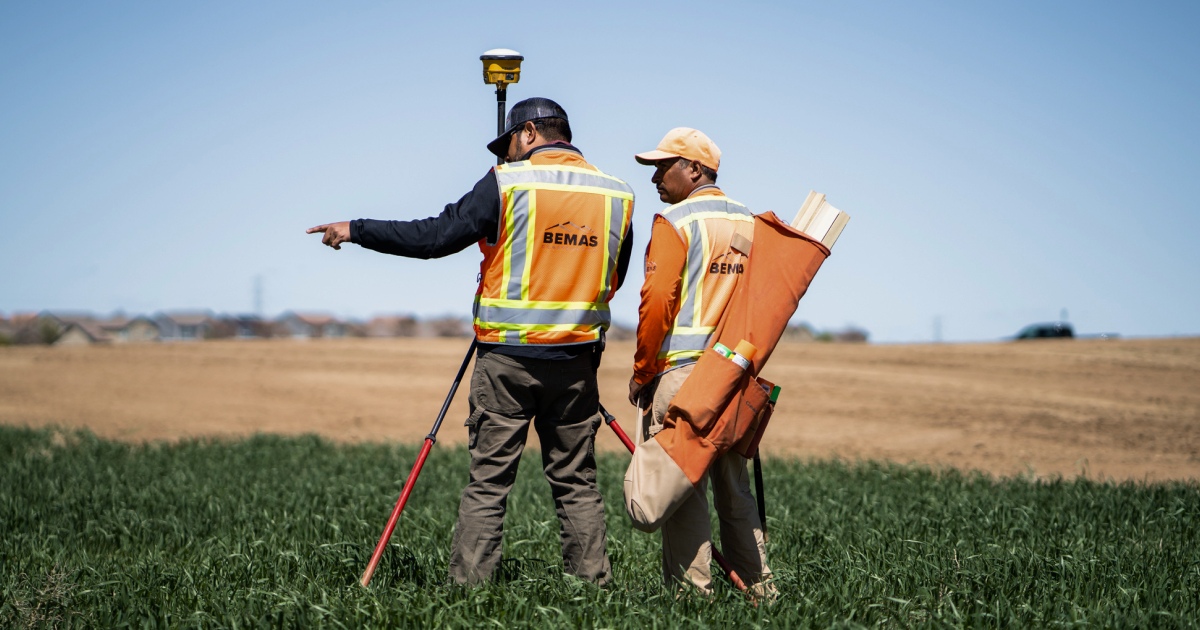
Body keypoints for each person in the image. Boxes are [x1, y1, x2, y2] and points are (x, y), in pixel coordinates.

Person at [307, 98, 635, 586]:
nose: (509, 156)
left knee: (489, 484)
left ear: (527, 133)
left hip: (506, 361)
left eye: (511, 146)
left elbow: (436, 237)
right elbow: (614, 276)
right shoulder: (617, 193)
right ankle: (593, 590)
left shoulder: (507, 183)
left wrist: (357, 229)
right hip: (575, 362)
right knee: (577, 484)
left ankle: (469, 596)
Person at [628, 128, 773, 595]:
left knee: (683, 493)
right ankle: (762, 592)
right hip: (733, 377)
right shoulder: (752, 224)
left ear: (694, 169)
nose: (654, 176)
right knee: (735, 492)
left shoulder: (677, 221)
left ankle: (694, 599)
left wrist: (643, 372)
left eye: (662, 165)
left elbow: (655, 304)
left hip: (683, 378)